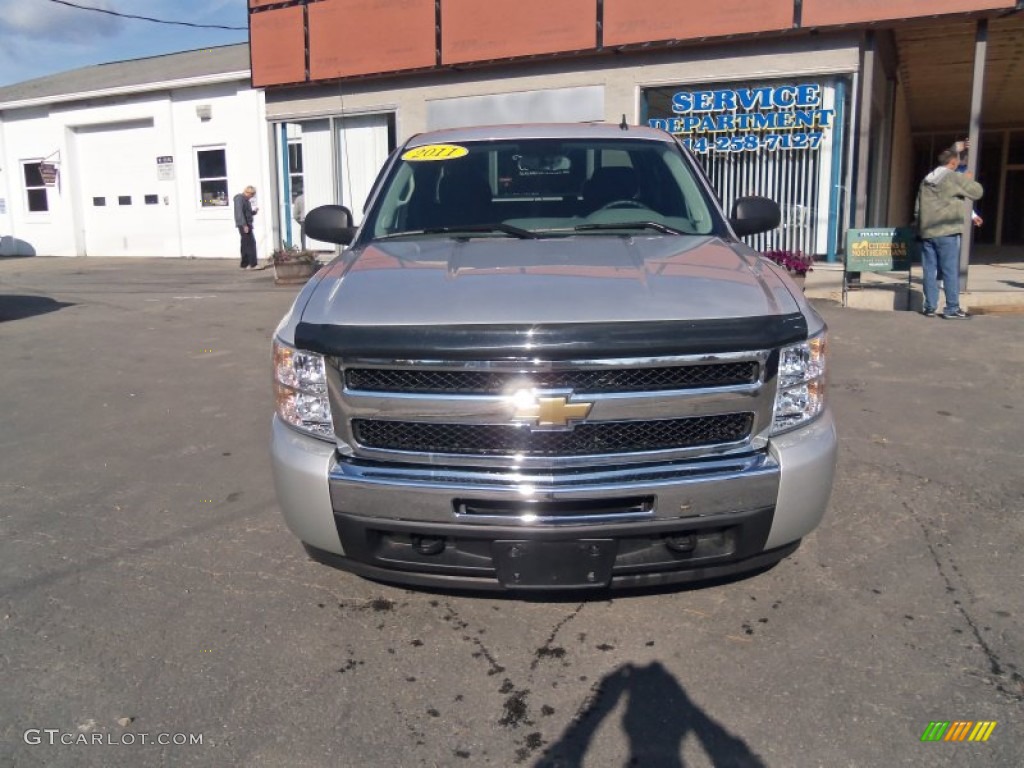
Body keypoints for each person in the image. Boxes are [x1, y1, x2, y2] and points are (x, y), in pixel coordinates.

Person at [914, 148, 983, 319]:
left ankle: (930, 307)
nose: (958, 163)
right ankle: (952, 308)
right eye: (957, 161)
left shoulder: (926, 180)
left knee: (929, 270)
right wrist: (967, 179)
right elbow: (977, 192)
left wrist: (921, 227)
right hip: (947, 232)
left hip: (927, 232)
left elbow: (917, 209)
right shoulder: (953, 177)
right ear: (953, 162)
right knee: (949, 270)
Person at [233, 185, 259, 269]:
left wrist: (254, 212)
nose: (252, 196)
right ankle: (253, 264)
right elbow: (239, 212)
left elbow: (247, 212)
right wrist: (244, 225)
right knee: (250, 244)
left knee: (245, 244)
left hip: (247, 224)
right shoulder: (239, 199)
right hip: (244, 224)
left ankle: (244, 264)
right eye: (252, 194)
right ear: (248, 192)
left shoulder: (246, 200)